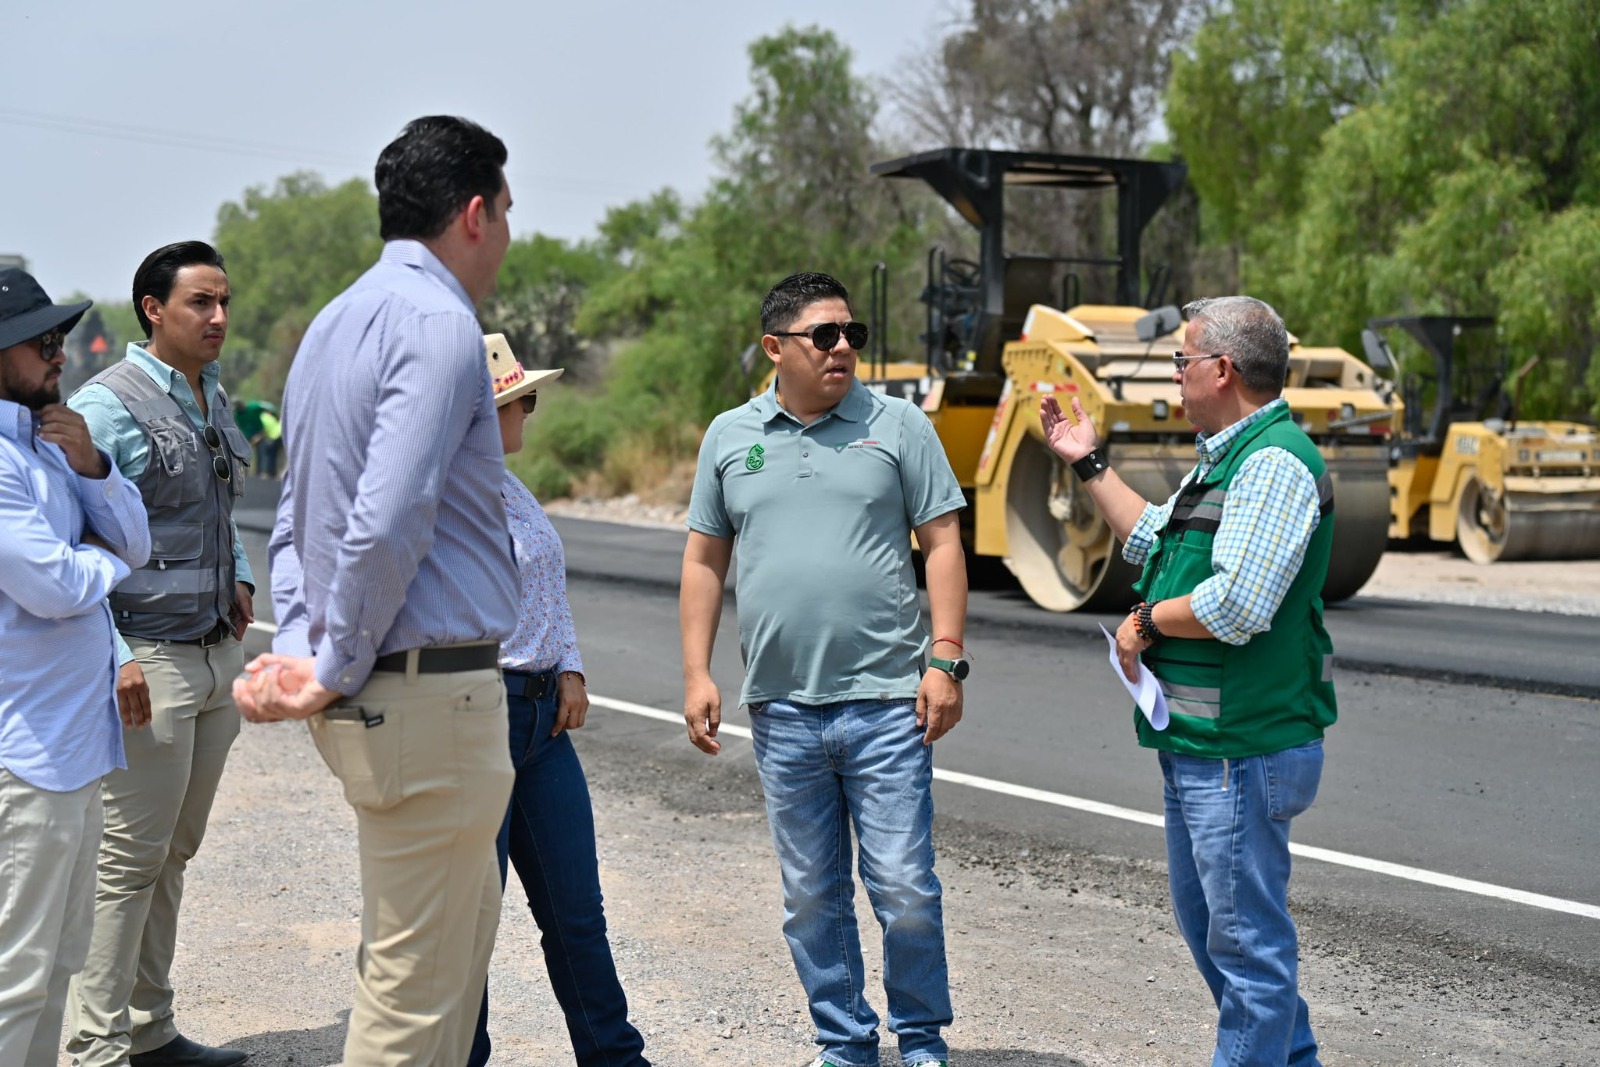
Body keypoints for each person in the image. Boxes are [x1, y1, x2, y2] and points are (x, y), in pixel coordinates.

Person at [232, 115, 519, 1067]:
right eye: (506, 211)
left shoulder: (332, 323)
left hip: (392, 693)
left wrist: (307, 646)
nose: (507, 234)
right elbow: (389, 516)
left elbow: (294, 514)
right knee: (411, 1005)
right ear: (474, 214)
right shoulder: (439, 322)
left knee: (442, 975)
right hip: (425, 698)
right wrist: (333, 664)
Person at [679, 271, 969, 1067]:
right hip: (782, 709)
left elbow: (943, 542)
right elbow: (704, 559)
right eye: (824, 335)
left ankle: (921, 1039)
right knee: (811, 895)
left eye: (853, 334)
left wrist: (946, 657)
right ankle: (845, 1043)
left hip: (889, 700)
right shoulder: (730, 436)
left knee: (905, 886)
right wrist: (697, 672)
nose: (843, 348)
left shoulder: (899, 425)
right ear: (775, 347)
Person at [1040, 295, 1336, 1067]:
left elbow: (1238, 604)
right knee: (1218, 931)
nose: (1175, 374)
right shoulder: (1224, 460)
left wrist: (1145, 621)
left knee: (1245, 945)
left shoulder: (1272, 464)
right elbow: (1150, 536)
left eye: (1182, 359)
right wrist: (1087, 459)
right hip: (1207, 744)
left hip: (1244, 744)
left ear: (1223, 369)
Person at [66, 241, 255, 1067]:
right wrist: (114, 655)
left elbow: (216, 506)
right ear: (154, 308)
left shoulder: (212, 393)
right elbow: (68, 536)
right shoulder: (108, 404)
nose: (218, 317)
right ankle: (97, 1046)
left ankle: (150, 1029)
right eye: (200, 302)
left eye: (223, 301)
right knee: (126, 862)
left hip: (213, 657)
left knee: (171, 852)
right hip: (149, 660)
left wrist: (240, 572)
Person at [468, 334, 651, 1067]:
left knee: (577, 912)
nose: (530, 412)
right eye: (523, 400)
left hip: (542, 723)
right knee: (468, 922)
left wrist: (569, 666)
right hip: (476, 716)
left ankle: (615, 1059)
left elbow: (546, 588)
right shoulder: (442, 496)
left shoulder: (510, 486)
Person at [0, 270, 151, 1066]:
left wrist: (94, 465)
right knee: (16, 976)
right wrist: (102, 561)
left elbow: (135, 539)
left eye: (59, 338)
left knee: (59, 960)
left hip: (74, 747)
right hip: (26, 755)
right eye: (41, 342)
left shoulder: (52, 442)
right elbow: (54, 586)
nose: (59, 354)